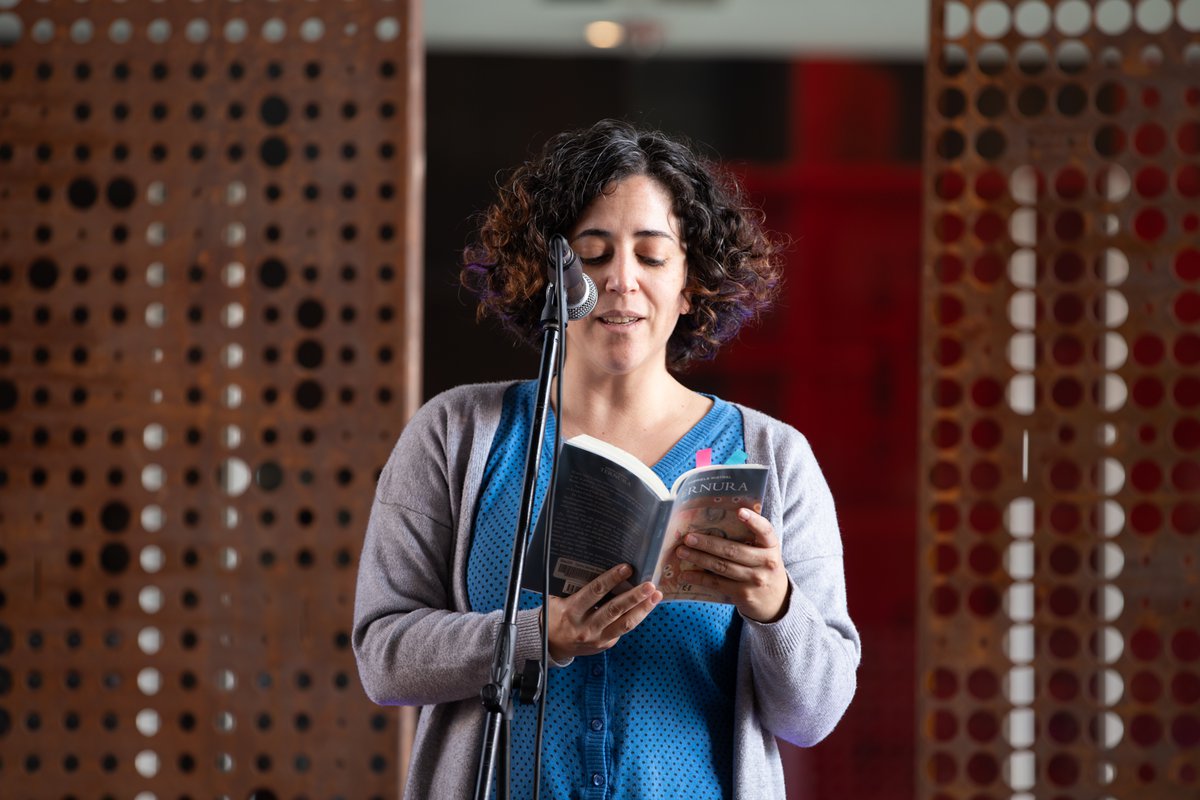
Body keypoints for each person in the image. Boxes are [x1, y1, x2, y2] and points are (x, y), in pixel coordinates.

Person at [353, 119, 860, 799]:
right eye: (592, 255)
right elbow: (384, 658)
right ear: (547, 279)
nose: (621, 279)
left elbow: (814, 717)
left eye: (651, 256)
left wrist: (776, 607)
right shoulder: (456, 434)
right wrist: (538, 636)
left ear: (690, 284)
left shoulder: (776, 457)